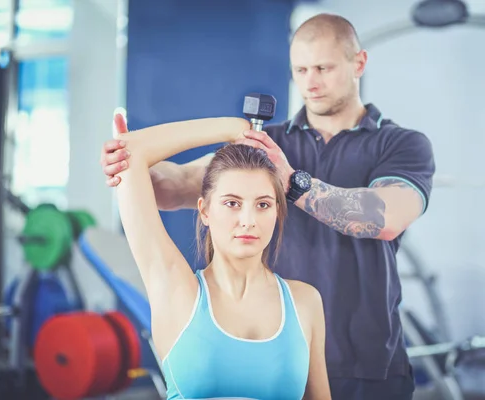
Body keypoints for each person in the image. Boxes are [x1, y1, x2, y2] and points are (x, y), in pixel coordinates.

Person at [102, 13, 435, 400]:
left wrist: (291, 181)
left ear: (358, 63)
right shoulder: (261, 144)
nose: (310, 81)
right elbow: (171, 186)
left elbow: (386, 217)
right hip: (280, 353)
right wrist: (124, 163)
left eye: (323, 68)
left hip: (370, 365)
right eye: (301, 69)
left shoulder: (400, 144)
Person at [108, 113, 331, 399]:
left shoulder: (305, 302)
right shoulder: (177, 291)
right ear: (205, 211)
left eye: (263, 204)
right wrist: (235, 128)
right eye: (232, 203)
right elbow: (131, 152)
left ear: (277, 211)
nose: (248, 220)